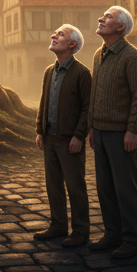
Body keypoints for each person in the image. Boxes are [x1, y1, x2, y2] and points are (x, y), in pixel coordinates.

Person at [87, 5, 137, 259]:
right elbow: (94, 94)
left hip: (120, 134)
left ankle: (133, 239)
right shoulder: (97, 55)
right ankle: (112, 234)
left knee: (125, 188)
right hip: (99, 133)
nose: (101, 18)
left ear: (120, 27)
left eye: (108, 17)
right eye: (103, 15)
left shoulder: (131, 56)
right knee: (105, 187)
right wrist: (91, 127)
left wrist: (132, 130)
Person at [33, 24, 92, 247]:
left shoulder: (82, 73)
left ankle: (80, 231)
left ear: (72, 44)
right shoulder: (49, 71)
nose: (53, 36)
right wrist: (40, 130)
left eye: (60, 34)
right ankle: (58, 226)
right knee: (53, 185)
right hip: (50, 139)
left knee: (75, 186)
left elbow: (88, 108)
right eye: (55, 33)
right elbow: (43, 102)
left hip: (70, 141)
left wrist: (79, 135)